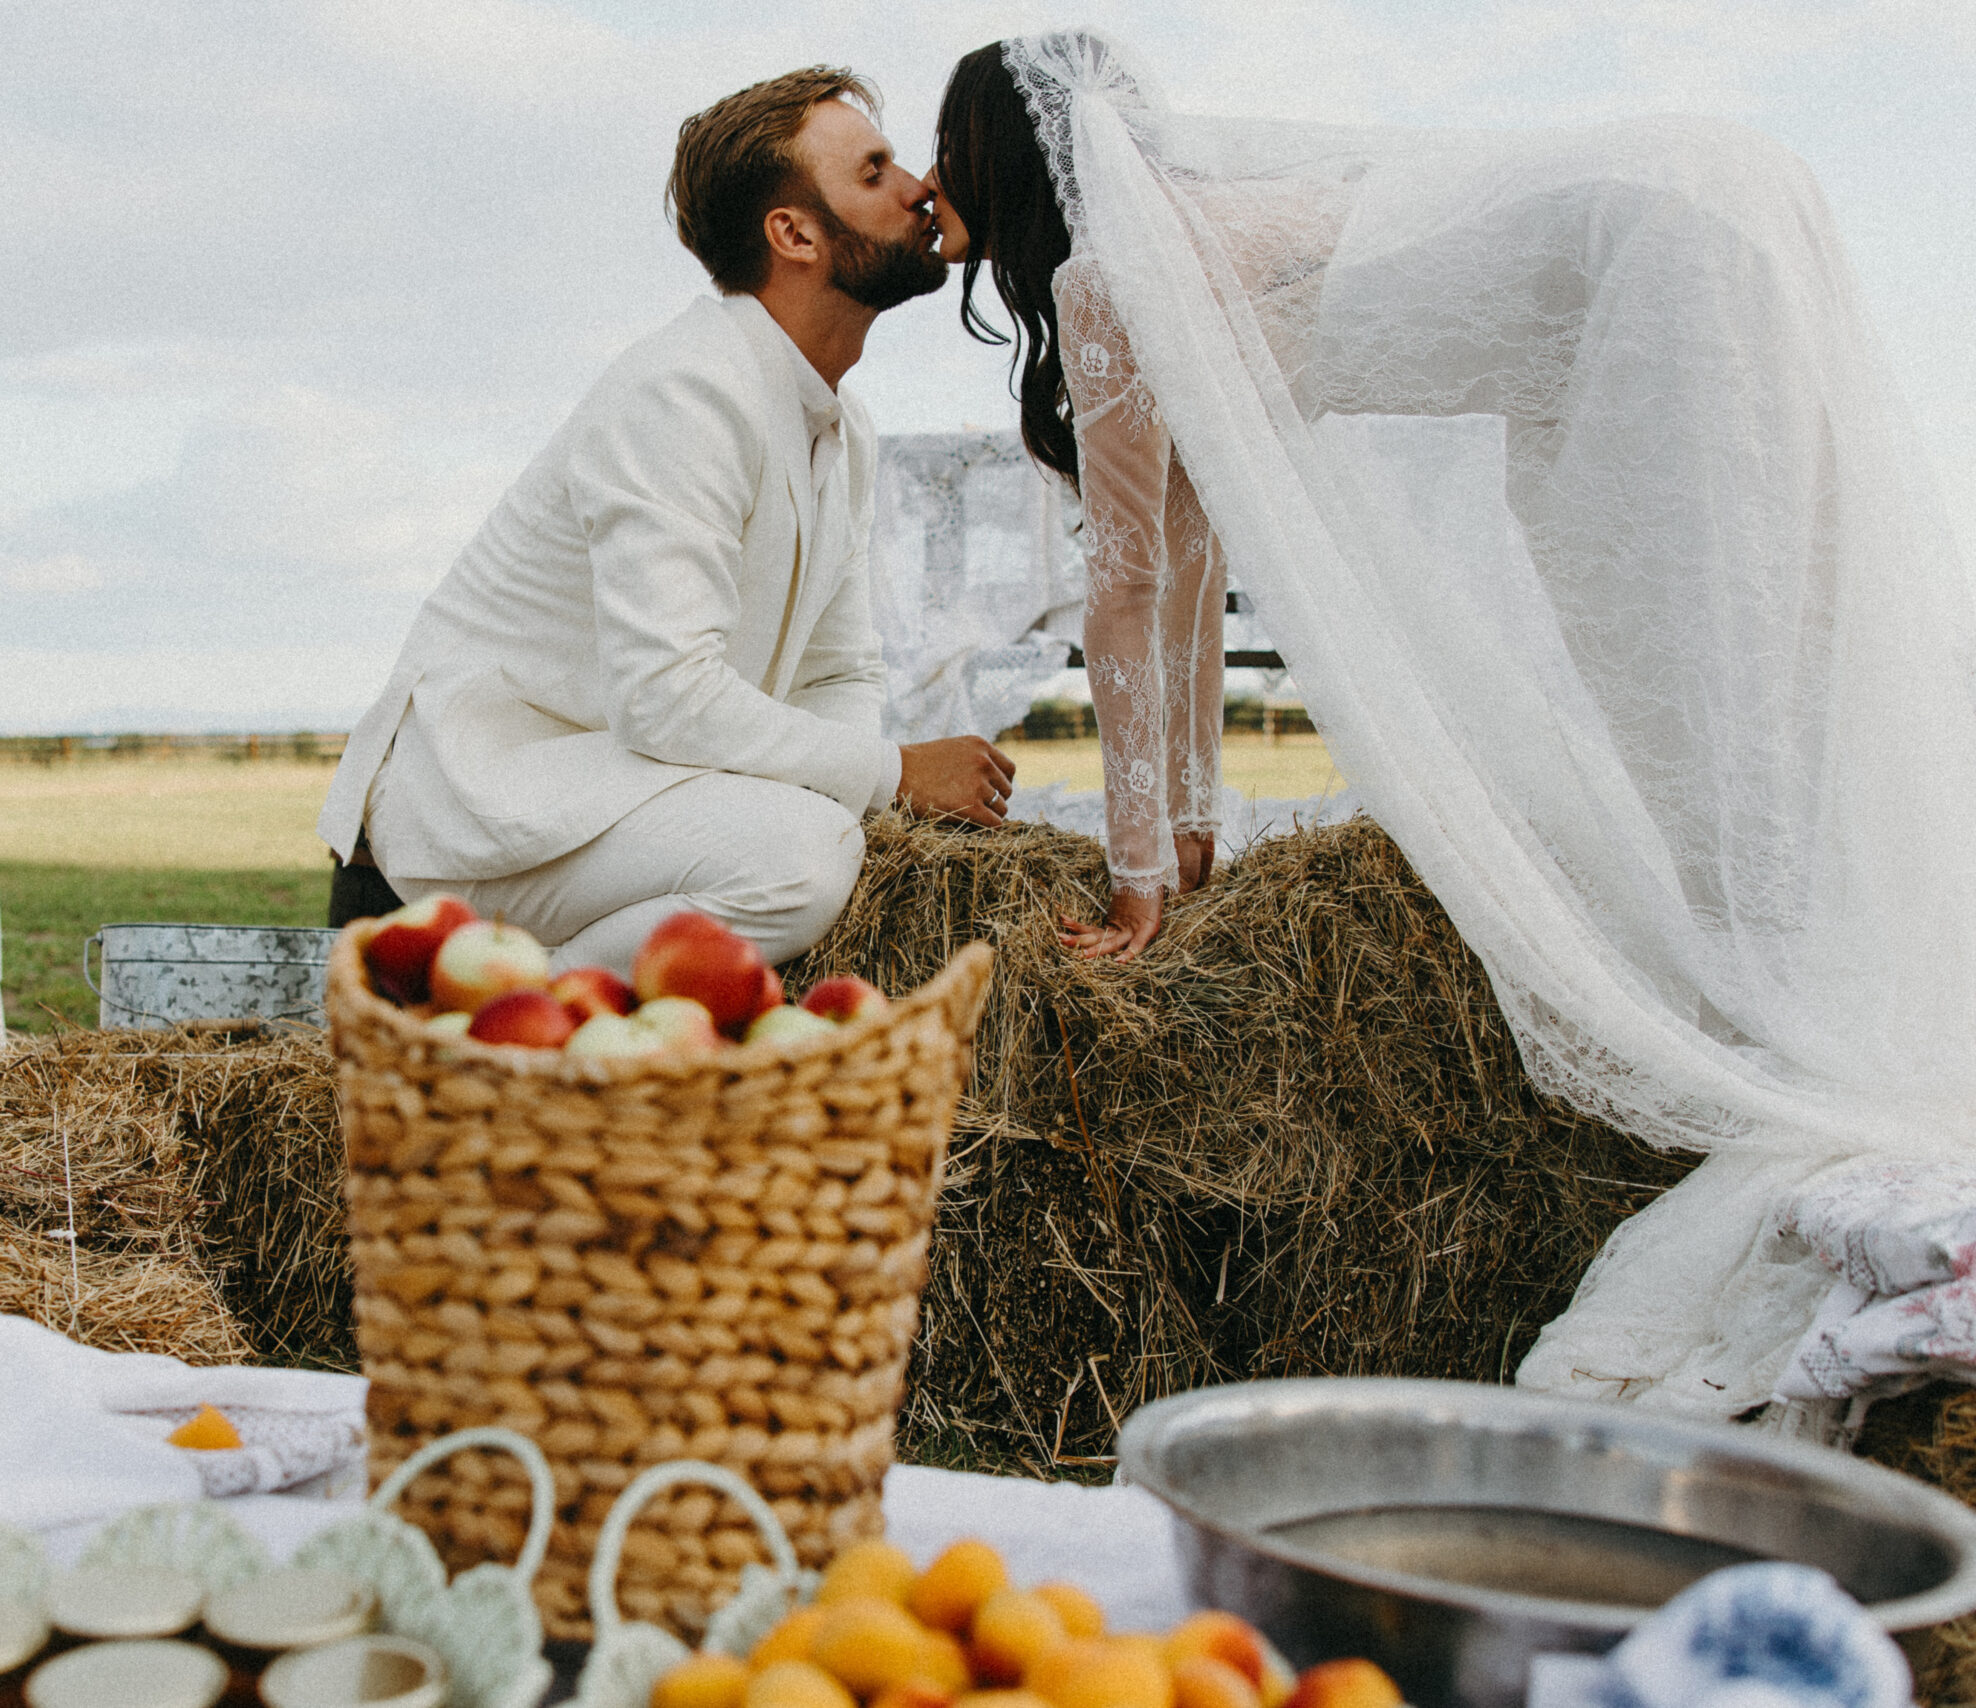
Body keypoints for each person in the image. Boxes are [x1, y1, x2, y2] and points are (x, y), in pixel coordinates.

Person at [922, 31, 1976, 1419]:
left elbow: (1128, 588)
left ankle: (1799, 1064)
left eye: (938, 154)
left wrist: (1137, 877)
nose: (924, 185)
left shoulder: (1108, 279)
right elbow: (1188, 560)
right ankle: (1797, 1019)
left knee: (1712, 725)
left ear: (997, 159)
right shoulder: (1189, 238)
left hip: (1648, 284)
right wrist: (1181, 830)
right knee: (1729, 707)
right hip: (1644, 282)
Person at [318, 68, 1015, 975]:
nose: (918, 187)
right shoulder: (686, 391)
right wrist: (893, 775)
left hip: (610, 805)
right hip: (477, 811)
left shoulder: (843, 426)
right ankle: (509, 1017)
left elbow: (837, 669)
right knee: (800, 863)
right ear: (794, 234)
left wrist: (855, 791)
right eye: (874, 172)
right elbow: (667, 696)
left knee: (824, 837)